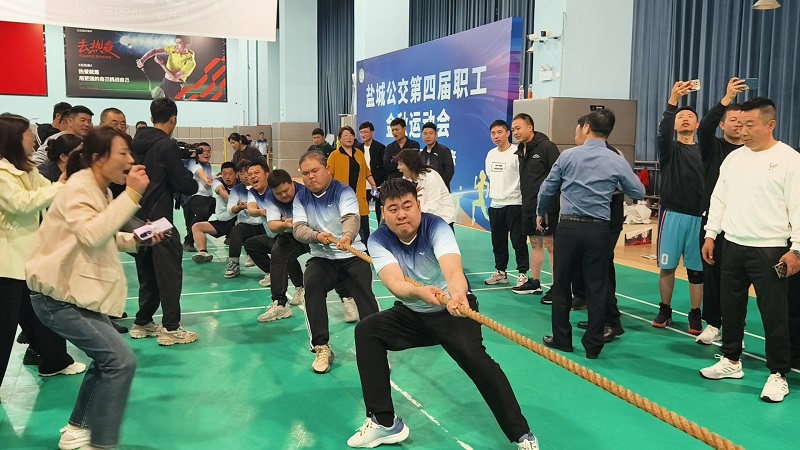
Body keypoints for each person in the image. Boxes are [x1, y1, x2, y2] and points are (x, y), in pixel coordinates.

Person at [348, 178, 538, 449]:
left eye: (407, 206)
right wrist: (419, 293)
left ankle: (522, 434)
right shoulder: (379, 239)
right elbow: (395, 283)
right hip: (414, 311)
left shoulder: (436, 227)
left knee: (479, 363)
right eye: (393, 209)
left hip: (453, 311)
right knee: (367, 331)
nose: (401, 214)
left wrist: (458, 294)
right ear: (383, 213)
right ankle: (385, 423)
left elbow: (453, 270)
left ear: (418, 205)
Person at [26, 126, 159, 450]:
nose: (130, 160)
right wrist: (132, 195)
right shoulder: (78, 188)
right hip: (57, 298)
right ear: (99, 158)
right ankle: (103, 443)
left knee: (107, 360)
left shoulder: (101, 191)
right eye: (122, 153)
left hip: (76, 295)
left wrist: (137, 239)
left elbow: (101, 236)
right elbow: (90, 234)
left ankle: (78, 429)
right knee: (120, 361)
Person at [699, 97, 800, 403]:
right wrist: (711, 234)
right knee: (730, 307)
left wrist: (797, 249)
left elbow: (798, 206)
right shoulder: (734, 159)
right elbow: (719, 198)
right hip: (732, 244)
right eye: (739, 124)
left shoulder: (789, 159)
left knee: (774, 314)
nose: (742, 131)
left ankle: (778, 373)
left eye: (749, 125)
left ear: (770, 125)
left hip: (771, 249)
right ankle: (731, 360)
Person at [538, 109, 645, 359]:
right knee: (597, 287)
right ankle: (593, 345)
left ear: (586, 128)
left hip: (569, 227)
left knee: (562, 285)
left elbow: (547, 189)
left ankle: (562, 339)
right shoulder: (616, 160)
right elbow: (638, 191)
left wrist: (540, 212)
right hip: (599, 229)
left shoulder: (568, 156)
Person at [1, 113, 86, 390]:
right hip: (7, 265)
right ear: (14, 139)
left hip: (28, 260)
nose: (32, 139)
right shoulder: (2, 173)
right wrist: (61, 185)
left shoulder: (27, 170)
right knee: (5, 328)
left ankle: (54, 361)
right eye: (28, 134)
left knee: (40, 314)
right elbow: (22, 203)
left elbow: (49, 192)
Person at [292, 151, 380, 374]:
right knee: (312, 285)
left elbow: (351, 218)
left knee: (365, 295)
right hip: (322, 257)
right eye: (305, 173)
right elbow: (298, 229)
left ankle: (377, 350)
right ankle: (322, 348)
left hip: (352, 255)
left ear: (327, 169)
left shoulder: (343, 191)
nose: (310, 177)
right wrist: (316, 236)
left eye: (315, 171)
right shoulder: (301, 197)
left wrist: (347, 237)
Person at [130, 98, 199, 346]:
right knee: (169, 272)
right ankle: (171, 327)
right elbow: (184, 183)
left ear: (151, 118)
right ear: (173, 119)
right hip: (159, 219)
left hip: (136, 216)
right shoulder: (166, 146)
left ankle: (143, 322)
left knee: (147, 272)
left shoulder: (135, 143)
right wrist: (189, 175)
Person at [694, 78, 745, 345]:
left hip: (744, 224)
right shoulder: (713, 147)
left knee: (738, 280)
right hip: (713, 223)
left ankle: (736, 329)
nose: (737, 124)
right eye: (732, 119)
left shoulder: (752, 152)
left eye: (742, 121)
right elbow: (705, 128)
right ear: (722, 124)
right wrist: (727, 99)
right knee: (712, 276)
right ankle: (713, 323)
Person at [653, 81, 705, 334]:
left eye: (690, 116)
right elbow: (662, 132)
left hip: (699, 218)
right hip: (671, 215)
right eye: (680, 116)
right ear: (674, 124)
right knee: (667, 267)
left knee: (697, 271)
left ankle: (696, 314)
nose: (685, 119)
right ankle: (665, 309)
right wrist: (673, 99)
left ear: (697, 125)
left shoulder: (707, 151)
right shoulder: (669, 149)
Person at [572, 115, 628, 342]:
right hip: (589, 223)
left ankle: (611, 321)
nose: (575, 133)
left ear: (586, 129)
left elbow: (626, 186)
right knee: (594, 270)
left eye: (577, 128)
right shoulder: (579, 155)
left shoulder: (613, 155)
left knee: (600, 272)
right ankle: (598, 317)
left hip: (606, 223)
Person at [245, 167, 307, 322]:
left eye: (286, 191)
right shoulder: (271, 197)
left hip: (314, 234)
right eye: (279, 193)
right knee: (279, 252)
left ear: (292, 182)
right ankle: (280, 304)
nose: (283, 195)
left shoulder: (304, 193)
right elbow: (273, 225)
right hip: (292, 234)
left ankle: (347, 296)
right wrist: (285, 224)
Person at [512, 113, 560, 299]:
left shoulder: (547, 146)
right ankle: (535, 282)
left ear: (530, 127)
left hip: (546, 205)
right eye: (513, 129)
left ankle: (557, 287)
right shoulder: (521, 150)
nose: (515, 132)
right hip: (528, 204)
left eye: (518, 128)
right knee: (534, 243)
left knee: (551, 245)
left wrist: (548, 202)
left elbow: (558, 175)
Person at [483, 119, 530, 290]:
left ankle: (522, 274)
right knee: (498, 242)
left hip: (515, 204)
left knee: (518, 241)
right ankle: (501, 272)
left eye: (500, 132)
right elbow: (490, 175)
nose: (496, 136)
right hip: (496, 205)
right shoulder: (490, 154)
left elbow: (523, 177)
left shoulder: (517, 152)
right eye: (493, 133)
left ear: (508, 133)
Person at [327, 126, 378, 242]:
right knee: (345, 228)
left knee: (364, 229)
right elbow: (328, 175)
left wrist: (373, 184)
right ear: (340, 139)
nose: (349, 137)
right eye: (345, 135)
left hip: (359, 197)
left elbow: (366, 171)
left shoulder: (359, 153)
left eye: (351, 135)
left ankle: (365, 250)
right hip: (342, 198)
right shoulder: (334, 155)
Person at [223, 161, 265, 279]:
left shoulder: (263, 187)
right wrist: (239, 207)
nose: (246, 176)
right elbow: (230, 209)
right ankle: (234, 263)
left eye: (248, 173)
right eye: (241, 173)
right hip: (246, 226)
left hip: (263, 225)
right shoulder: (236, 190)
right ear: (238, 175)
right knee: (236, 230)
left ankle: (282, 266)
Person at [191, 161, 239, 263]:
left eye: (230, 173)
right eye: (224, 174)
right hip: (223, 222)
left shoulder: (241, 186)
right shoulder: (217, 182)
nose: (227, 177)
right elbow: (221, 191)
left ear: (236, 174)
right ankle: (203, 252)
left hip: (237, 221)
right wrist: (233, 201)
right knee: (197, 227)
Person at [395, 149, 456, 226]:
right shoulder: (406, 179)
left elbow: (432, 205)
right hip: (423, 219)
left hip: (443, 219)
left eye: (400, 164)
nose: (398, 168)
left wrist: (413, 214)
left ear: (409, 164)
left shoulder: (430, 177)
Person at [136, 35, 197, 100]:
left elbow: (175, 77)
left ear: (186, 46)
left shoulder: (191, 62)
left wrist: (162, 64)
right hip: (165, 82)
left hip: (176, 88)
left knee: (171, 106)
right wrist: (143, 59)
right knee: (157, 103)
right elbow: (154, 51)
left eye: (179, 43)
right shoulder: (173, 49)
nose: (176, 45)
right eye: (176, 43)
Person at [182, 143, 215, 252]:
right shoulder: (194, 163)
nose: (206, 153)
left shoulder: (208, 165)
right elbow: (203, 176)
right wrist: (209, 181)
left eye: (209, 151)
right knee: (202, 213)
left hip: (207, 197)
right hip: (195, 197)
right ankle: (188, 241)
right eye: (203, 151)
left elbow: (212, 177)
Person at [355, 121, 387, 224]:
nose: (363, 135)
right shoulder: (357, 149)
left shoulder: (380, 148)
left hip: (376, 186)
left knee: (379, 209)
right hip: (362, 187)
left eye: (365, 132)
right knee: (362, 212)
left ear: (372, 133)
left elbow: (384, 168)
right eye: (361, 132)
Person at [419, 122, 455, 190]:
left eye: (431, 133)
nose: (428, 136)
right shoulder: (421, 154)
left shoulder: (444, 151)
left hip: (441, 190)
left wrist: (438, 185)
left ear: (436, 135)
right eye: (425, 134)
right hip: (425, 190)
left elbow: (449, 171)